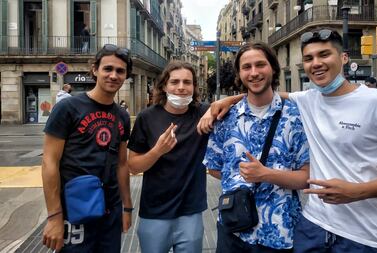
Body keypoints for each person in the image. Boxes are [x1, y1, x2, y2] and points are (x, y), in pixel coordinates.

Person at [204, 28, 377, 252]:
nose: (316, 63)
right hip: (313, 228)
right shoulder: (307, 100)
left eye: (324, 54)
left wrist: (358, 191)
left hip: (366, 237)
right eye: (308, 58)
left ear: (344, 58)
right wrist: (223, 103)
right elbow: (259, 94)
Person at [203, 42, 310, 252]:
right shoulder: (225, 118)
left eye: (260, 65)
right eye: (246, 67)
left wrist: (265, 175)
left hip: (280, 232)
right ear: (239, 73)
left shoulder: (296, 116)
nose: (254, 73)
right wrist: (238, 178)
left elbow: (306, 177)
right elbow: (214, 167)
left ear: (273, 68)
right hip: (233, 230)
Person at [42, 44, 133, 252]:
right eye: (107, 69)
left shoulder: (122, 116)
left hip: (109, 212)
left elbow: (121, 164)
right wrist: (54, 216)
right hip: (75, 210)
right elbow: (49, 162)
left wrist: (126, 208)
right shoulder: (67, 108)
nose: (113, 75)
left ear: (126, 75)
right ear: (95, 69)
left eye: (120, 71)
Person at [127, 60, 210, 253]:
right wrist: (157, 151)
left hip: (191, 212)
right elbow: (133, 166)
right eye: (175, 82)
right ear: (164, 86)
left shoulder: (204, 113)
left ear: (194, 87)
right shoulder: (146, 117)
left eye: (187, 82)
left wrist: (218, 105)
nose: (181, 87)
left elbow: (245, 100)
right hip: (154, 213)